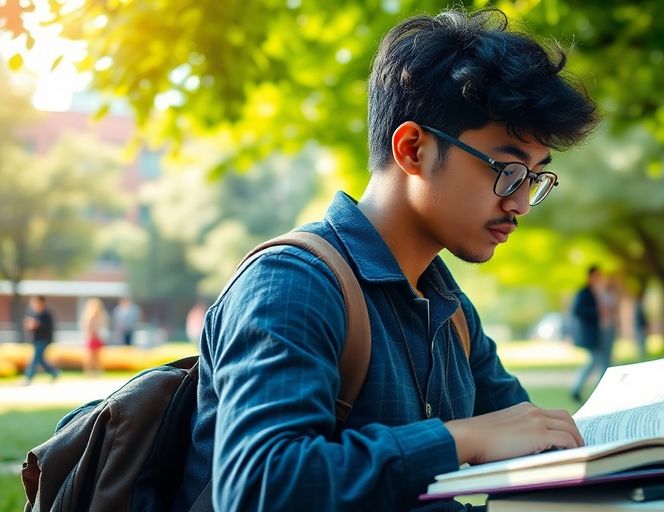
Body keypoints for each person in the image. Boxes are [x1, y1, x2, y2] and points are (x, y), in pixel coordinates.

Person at [176, 8, 599, 510]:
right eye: (507, 169)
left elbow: (526, 435)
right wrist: (459, 439)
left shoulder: (449, 309)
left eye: (534, 177)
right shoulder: (292, 283)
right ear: (412, 148)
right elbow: (259, 485)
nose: (520, 203)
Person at [570, 266, 606, 403]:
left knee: (597, 360)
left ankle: (577, 388)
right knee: (594, 360)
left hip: (597, 332)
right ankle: (576, 388)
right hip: (589, 333)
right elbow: (578, 310)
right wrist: (597, 312)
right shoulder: (584, 293)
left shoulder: (596, 292)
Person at [22, 296, 59, 385]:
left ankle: (28, 378)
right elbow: (29, 325)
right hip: (36, 339)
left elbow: (48, 327)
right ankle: (54, 372)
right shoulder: (33, 313)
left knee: (35, 358)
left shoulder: (46, 314)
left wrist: (37, 325)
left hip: (44, 339)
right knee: (40, 359)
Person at [79, 298, 108, 377]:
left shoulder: (99, 316)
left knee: (97, 357)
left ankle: (98, 371)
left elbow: (102, 326)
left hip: (97, 338)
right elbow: (87, 327)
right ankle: (88, 372)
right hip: (91, 338)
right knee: (89, 357)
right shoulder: (89, 317)